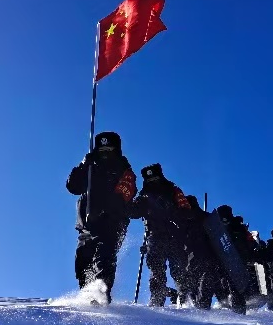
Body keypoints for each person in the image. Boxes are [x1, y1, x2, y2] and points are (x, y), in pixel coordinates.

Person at [66, 131, 137, 304]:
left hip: (111, 222)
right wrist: (83, 165)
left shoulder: (124, 170)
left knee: (103, 257)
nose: (105, 154)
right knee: (83, 260)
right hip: (87, 225)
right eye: (102, 150)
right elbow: (72, 186)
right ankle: (86, 297)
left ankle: (100, 296)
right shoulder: (90, 167)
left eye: (109, 150)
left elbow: (126, 193)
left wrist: (107, 209)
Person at [128, 164, 192, 307]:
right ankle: (158, 299)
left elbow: (186, 210)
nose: (153, 182)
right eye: (151, 179)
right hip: (157, 236)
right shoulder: (145, 196)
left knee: (177, 270)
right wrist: (126, 200)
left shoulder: (172, 190)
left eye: (155, 178)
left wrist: (178, 216)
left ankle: (184, 301)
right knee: (158, 269)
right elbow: (133, 212)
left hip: (174, 235)